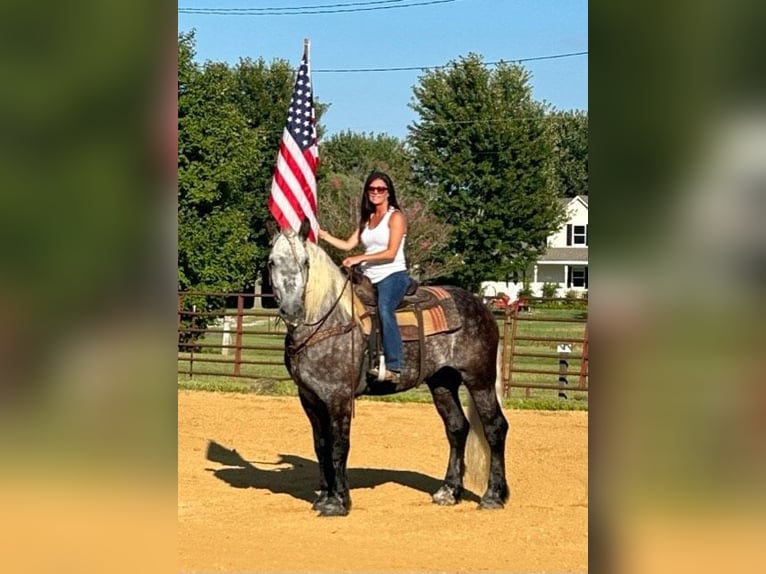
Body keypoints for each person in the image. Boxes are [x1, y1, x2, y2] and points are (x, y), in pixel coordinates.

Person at [318, 171, 408, 383]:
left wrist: (359, 258)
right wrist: (324, 235)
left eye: (381, 189)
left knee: (385, 309)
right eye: (372, 189)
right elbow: (348, 244)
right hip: (368, 278)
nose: (376, 192)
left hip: (392, 275)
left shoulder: (396, 217)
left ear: (388, 193)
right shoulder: (367, 219)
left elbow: (391, 252)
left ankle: (394, 366)